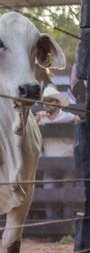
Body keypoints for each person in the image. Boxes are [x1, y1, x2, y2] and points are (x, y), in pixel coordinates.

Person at [34, 86, 80, 220]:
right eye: (45, 101)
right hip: (49, 165)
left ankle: (67, 228)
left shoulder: (69, 117)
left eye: (51, 100)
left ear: (58, 103)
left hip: (68, 163)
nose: (47, 104)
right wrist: (36, 120)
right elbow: (25, 131)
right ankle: (52, 226)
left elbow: (78, 122)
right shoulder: (41, 120)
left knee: (68, 196)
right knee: (48, 195)